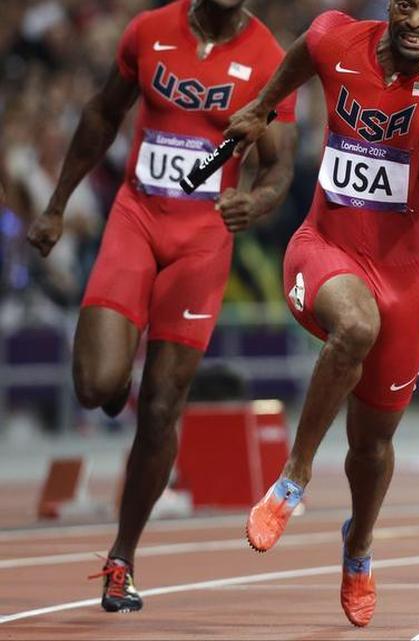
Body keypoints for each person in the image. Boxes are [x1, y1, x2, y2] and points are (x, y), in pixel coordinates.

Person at [223, 0, 419, 627]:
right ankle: (292, 479)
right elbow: (300, 57)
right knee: (356, 325)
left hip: (404, 284)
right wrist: (264, 105)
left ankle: (359, 547)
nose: (414, 19)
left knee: (371, 449)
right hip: (323, 248)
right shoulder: (335, 35)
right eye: (406, 3)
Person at [24, 0, 297, 613]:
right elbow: (101, 113)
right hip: (137, 219)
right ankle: (115, 379)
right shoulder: (149, 31)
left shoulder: (270, 61)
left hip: (202, 243)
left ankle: (122, 557)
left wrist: (256, 202)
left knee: (163, 405)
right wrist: (57, 204)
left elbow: (280, 164)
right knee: (96, 386)